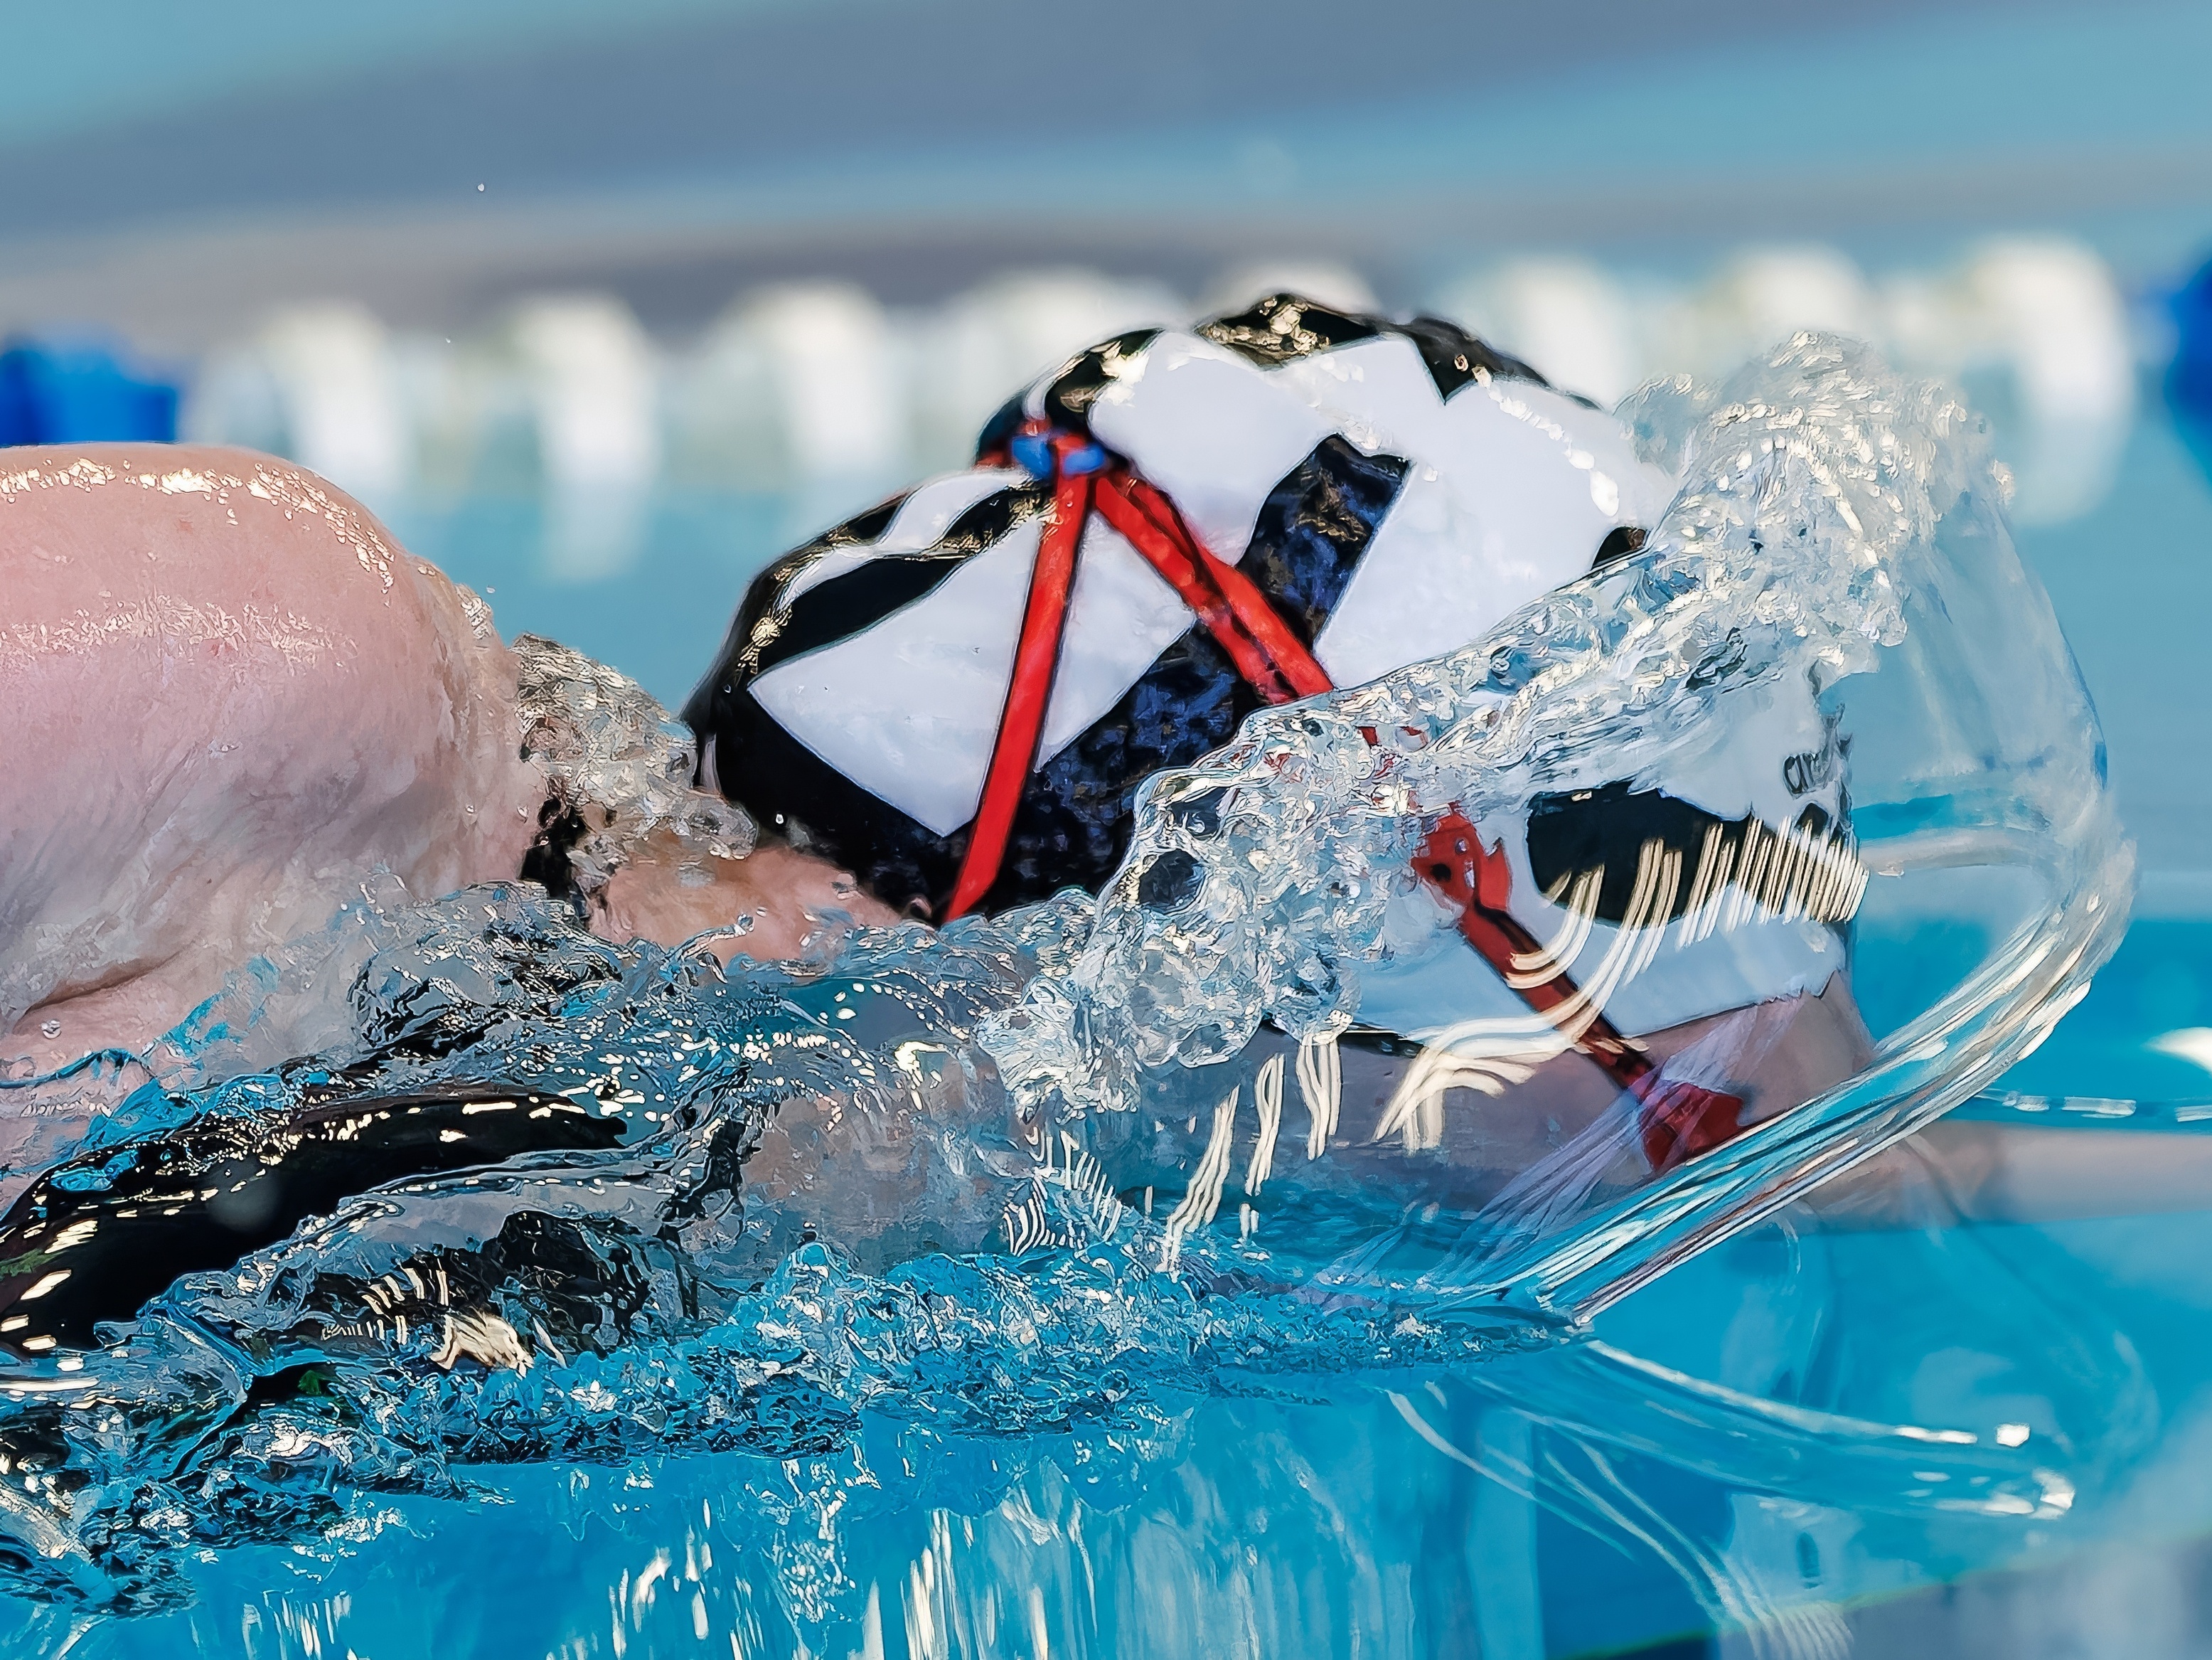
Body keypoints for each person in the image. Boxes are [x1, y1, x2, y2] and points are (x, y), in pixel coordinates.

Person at [0, 295, 1874, 1357]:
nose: (1740, 1059)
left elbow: (1827, 1157)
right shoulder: (306, 679)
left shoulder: (887, 1199)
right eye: (1670, 876)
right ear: (1337, 890)